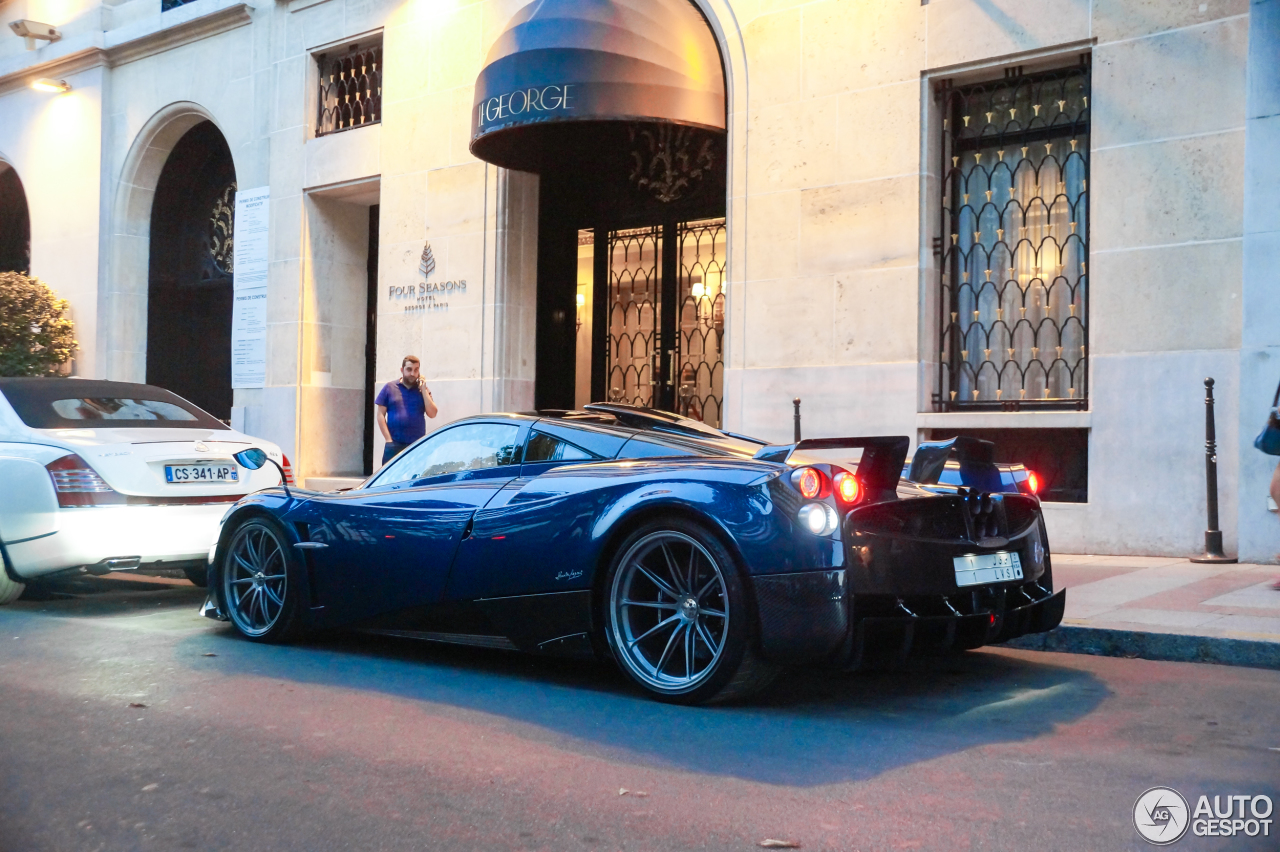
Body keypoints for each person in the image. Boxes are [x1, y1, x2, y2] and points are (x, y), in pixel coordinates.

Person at [375, 355, 438, 465]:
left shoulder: (423, 390)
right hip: (394, 445)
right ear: (402, 370)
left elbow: (432, 414)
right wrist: (388, 440)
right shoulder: (389, 387)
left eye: (416, 370)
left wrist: (423, 390)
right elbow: (380, 414)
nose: (412, 374)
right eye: (409, 369)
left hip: (416, 446)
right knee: (390, 480)